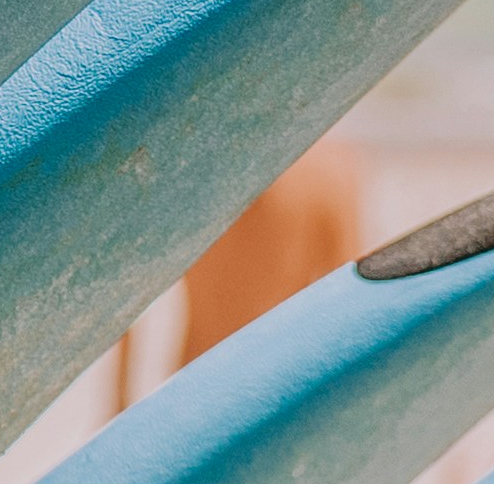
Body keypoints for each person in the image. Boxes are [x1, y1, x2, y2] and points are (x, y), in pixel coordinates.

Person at [114, 129, 370, 411]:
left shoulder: (193, 172)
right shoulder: (328, 167)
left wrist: (118, 407)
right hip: (275, 394)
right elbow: (349, 307)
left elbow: (128, 296)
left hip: (195, 390)